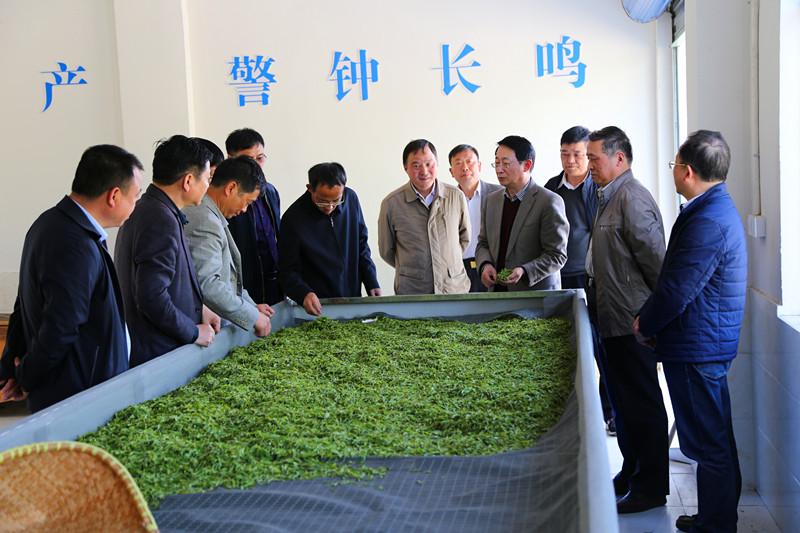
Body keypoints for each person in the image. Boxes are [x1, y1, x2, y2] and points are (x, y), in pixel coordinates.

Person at [635, 130, 746, 532]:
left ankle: (716, 524)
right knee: (713, 438)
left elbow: (678, 289)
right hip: (702, 342)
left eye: (675, 164)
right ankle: (716, 516)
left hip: (698, 347)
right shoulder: (710, 208)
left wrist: (645, 322)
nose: (673, 172)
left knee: (708, 443)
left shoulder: (709, 220)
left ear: (687, 171)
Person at [0, 145, 143, 412]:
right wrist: (26, 377)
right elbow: (61, 325)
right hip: (77, 396)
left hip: (76, 386)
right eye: (135, 196)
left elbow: (24, 304)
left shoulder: (51, 223)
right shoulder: (73, 241)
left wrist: (12, 367)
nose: (135, 206)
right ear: (114, 195)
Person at [586, 126, 669, 513]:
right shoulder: (608, 195)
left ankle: (650, 487)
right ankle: (632, 471)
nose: (589, 165)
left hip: (632, 323)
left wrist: (649, 320)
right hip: (611, 319)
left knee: (642, 405)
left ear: (619, 158)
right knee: (623, 406)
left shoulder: (632, 199)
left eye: (594, 158)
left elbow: (657, 268)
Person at [115, 135, 221, 367]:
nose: (208, 186)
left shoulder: (150, 208)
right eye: (207, 179)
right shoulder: (160, 219)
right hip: (160, 352)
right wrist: (193, 331)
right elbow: (151, 296)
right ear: (188, 181)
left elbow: (170, 282)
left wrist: (200, 309)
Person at [544, 126, 615, 435]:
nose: (570, 160)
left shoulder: (600, 188)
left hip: (593, 278)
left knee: (602, 347)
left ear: (588, 156)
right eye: (565, 154)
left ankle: (610, 412)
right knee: (564, 347)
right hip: (559, 277)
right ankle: (567, 416)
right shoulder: (551, 188)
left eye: (577, 154)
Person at [184, 156, 272, 338]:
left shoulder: (212, 215)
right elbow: (209, 284)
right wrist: (253, 316)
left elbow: (227, 278)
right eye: (247, 202)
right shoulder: (205, 220)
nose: (244, 210)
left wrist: (252, 307)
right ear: (231, 188)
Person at [279, 162, 381, 316]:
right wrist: (303, 293)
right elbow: (287, 270)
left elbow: (361, 244)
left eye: (336, 200)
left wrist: (371, 280)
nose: (330, 207)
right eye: (322, 201)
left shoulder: (351, 199)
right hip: (317, 305)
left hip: (352, 298)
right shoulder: (293, 219)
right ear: (309, 188)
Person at [475, 135, 569, 292]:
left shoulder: (549, 201)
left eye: (505, 163)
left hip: (534, 294)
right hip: (497, 292)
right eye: (497, 163)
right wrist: (485, 265)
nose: (499, 169)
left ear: (527, 165)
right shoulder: (491, 200)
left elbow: (557, 255)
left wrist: (525, 271)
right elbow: (483, 243)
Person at [378, 139, 471, 295]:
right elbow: (386, 250)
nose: (424, 171)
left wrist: (445, 263)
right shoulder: (392, 204)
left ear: (437, 163)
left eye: (429, 164)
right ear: (405, 168)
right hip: (413, 290)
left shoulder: (456, 196)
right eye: (416, 165)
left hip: (453, 288)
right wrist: (415, 269)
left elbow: (464, 238)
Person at [225, 128, 283, 305]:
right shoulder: (227, 197)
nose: (256, 165)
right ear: (230, 159)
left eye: (260, 158)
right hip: (243, 283)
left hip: (273, 279)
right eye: (249, 160)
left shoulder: (270, 191)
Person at [448, 144, 502, 292]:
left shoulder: (500, 194)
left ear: (479, 165)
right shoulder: (446, 200)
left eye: (469, 161)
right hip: (459, 271)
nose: (465, 167)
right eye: (458, 163)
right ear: (451, 172)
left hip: (492, 267)